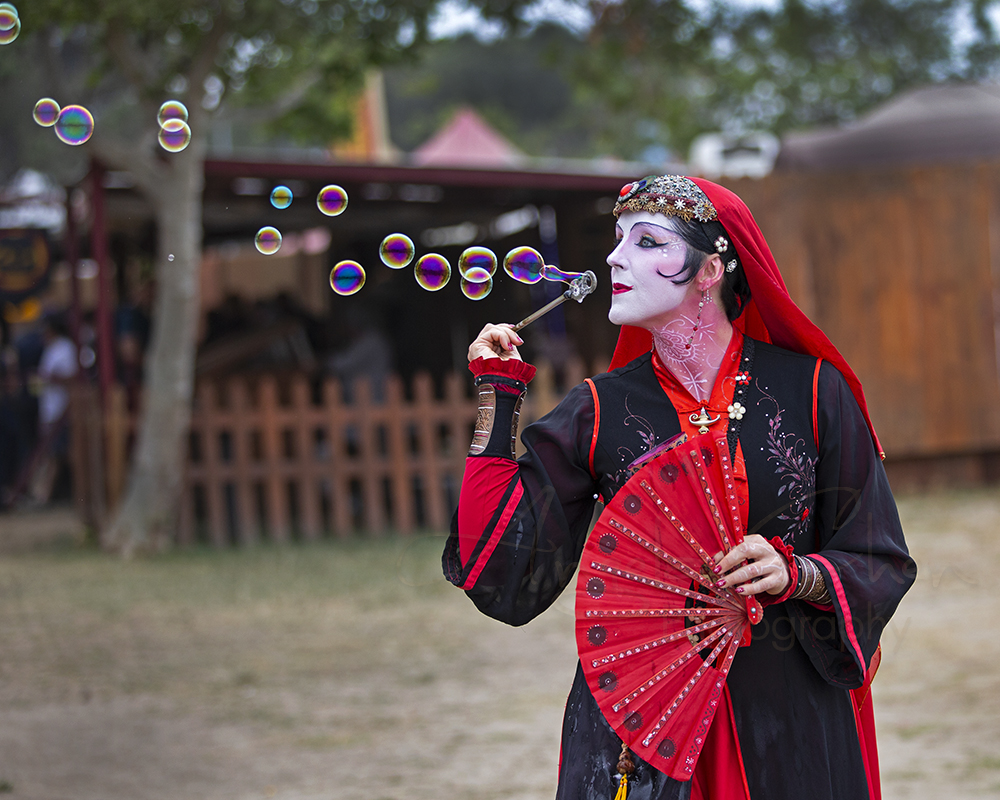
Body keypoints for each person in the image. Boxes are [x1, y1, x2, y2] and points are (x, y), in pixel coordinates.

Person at [442, 175, 915, 800]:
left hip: (786, 714)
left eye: (645, 241)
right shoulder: (598, 411)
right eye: (616, 240)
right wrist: (495, 401)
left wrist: (797, 574)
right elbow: (495, 567)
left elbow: (879, 555)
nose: (613, 257)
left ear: (710, 269)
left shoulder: (813, 392)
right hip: (643, 727)